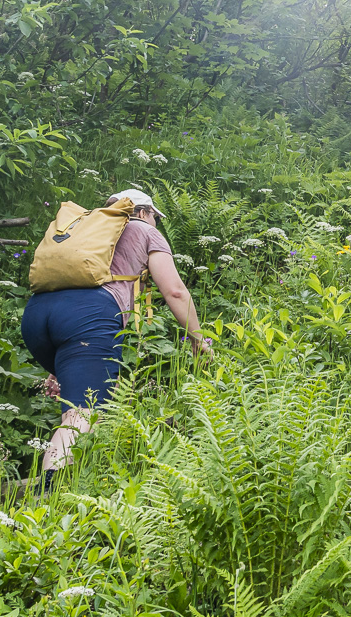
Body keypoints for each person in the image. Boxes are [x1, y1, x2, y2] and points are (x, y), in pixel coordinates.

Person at [20, 187, 210, 487]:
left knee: (78, 408)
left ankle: (75, 479)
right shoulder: (143, 230)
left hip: (37, 315)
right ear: (144, 212)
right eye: (154, 218)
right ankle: (49, 495)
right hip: (88, 316)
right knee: (81, 416)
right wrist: (198, 338)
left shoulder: (88, 226)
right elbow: (174, 290)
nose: (155, 223)